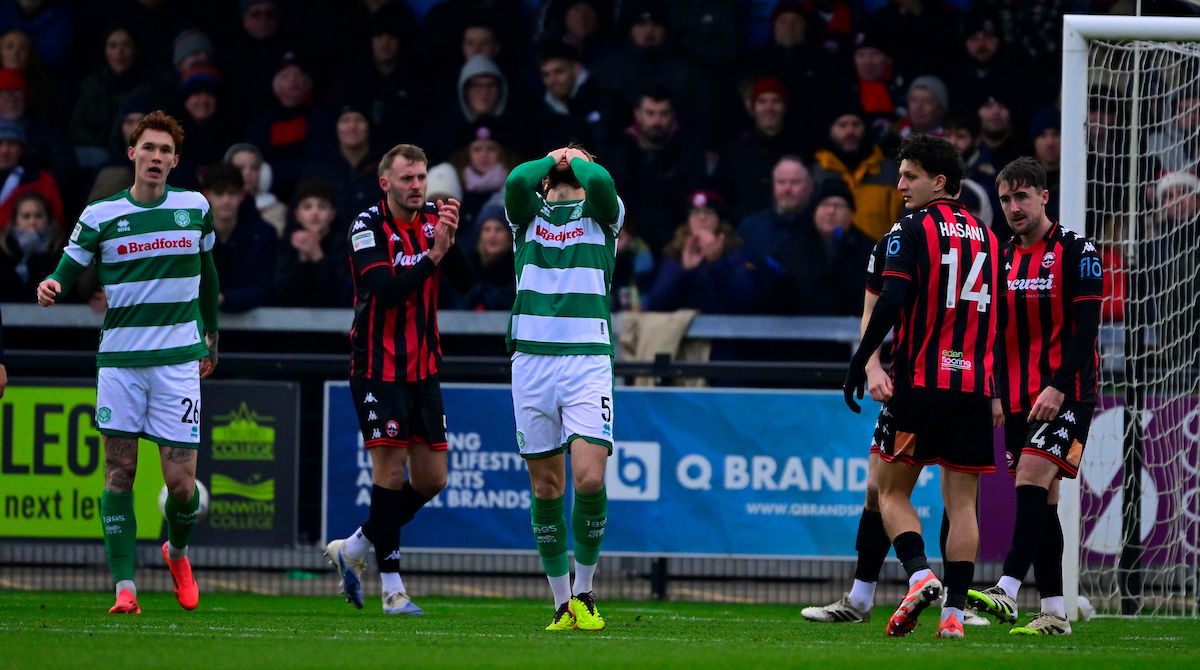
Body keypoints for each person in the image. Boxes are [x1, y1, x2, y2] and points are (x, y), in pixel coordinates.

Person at [35, 110, 219, 615]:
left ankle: (176, 553)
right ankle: (125, 587)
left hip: (178, 362)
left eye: (166, 150)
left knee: (181, 485)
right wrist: (52, 284)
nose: (156, 156)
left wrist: (212, 332)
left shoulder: (195, 207)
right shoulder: (100, 215)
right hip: (120, 362)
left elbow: (208, 273)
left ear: (175, 161)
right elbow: (68, 266)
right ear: (132, 153)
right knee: (120, 471)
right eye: (149, 148)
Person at [843, 134, 1002, 639]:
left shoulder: (910, 228)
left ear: (940, 182)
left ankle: (918, 575)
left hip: (921, 380)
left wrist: (862, 358)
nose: (900, 185)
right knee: (962, 505)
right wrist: (995, 388)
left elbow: (891, 299)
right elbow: (996, 322)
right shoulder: (988, 238)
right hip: (972, 387)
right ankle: (953, 616)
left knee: (890, 491)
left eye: (910, 176)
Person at [323, 143, 471, 615]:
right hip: (377, 368)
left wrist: (451, 240)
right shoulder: (365, 227)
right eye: (407, 178)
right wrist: (433, 256)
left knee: (432, 479)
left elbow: (466, 281)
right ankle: (392, 589)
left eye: (422, 177)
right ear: (385, 183)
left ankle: (354, 546)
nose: (417, 186)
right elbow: (385, 291)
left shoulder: (432, 222)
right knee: (389, 474)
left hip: (423, 367)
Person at [966, 158, 1103, 635]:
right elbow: (992, 332)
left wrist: (1059, 385)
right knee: (1043, 502)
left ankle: (1005, 587)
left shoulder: (1077, 250)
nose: (1013, 207)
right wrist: (994, 393)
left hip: (1069, 392)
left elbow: (1087, 328)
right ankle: (1055, 612)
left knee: (1029, 479)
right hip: (1017, 398)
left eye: (1022, 196)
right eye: (1005, 199)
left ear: (1044, 197)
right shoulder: (1000, 258)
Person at [504, 144, 624, 631]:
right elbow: (516, 181)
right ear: (546, 179)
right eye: (560, 162)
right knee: (545, 485)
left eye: (578, 160)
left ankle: (585, 591)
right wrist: (554, 160)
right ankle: (560, 602)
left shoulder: (604, 216)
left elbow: (602, 184)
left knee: (589, 479)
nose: (568, 164)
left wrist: (575, 161)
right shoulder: (526, 217)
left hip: (587, 360)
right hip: (532, 361)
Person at [202, 163, 277, 313]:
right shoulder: (192, 236)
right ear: (207, 195)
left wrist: (224, 299)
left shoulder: (263, 235)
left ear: (242, 195)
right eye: (219, 193)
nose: (226, 200)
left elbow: (265, 287)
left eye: (232, 193)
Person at [273, 177, 347, 307]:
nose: (315, 213)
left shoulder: (344, 246)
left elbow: (341, 295)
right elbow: (281, 295)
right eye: (307, 207)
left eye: (322, 207)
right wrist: (302, 260)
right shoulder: (286, 246)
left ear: (332, 214)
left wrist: (317, 256)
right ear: (297, 215)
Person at [0, 191, 59, 301]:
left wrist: (39, 256)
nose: (32, 222)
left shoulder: (60, 247)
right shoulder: (4, 247)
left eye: (38, 216)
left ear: (48, 218)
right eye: (26, 216)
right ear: (15, 220)